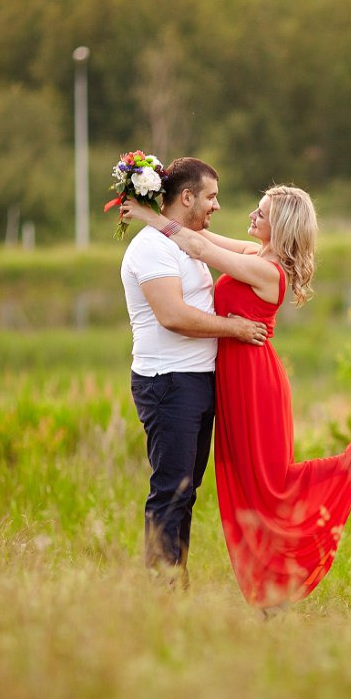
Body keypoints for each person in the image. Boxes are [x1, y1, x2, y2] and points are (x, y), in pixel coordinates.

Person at [122, 185, 351, 609]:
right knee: (249, 486)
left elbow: (198, 246)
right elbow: (205, 239)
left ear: (281, 226)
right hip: (233, 379)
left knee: (271, 486)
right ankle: (267, 589)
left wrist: (145, 213)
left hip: (256, 383)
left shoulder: (268, 272)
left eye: (262, 212)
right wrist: (166, 221)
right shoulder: (256, 256)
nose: (251, 215)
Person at [120, 157, 269, 587]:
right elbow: (173, 315)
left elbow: (251, 252)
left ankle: (174, 581)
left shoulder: (184, 241)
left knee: (186, 492)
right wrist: (236, 328)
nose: (217, 206)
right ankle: (163, 588)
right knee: (171, 491)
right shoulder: (150, 248)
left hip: (197, 382)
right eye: (211, 197)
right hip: (168, 384)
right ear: (186, 197)